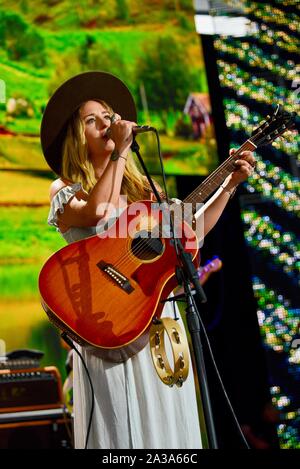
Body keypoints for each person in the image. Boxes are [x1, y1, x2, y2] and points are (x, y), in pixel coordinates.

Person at [40, 71, 256, 449]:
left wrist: (229, 186)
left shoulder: (145, 196)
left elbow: (194, 234)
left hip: (157, 326)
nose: (106, 123)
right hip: (110, 330)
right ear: (78, 137)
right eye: (92, 120)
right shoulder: (66, 191)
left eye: (108, 115)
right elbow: (98, 211)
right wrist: (121, 151)